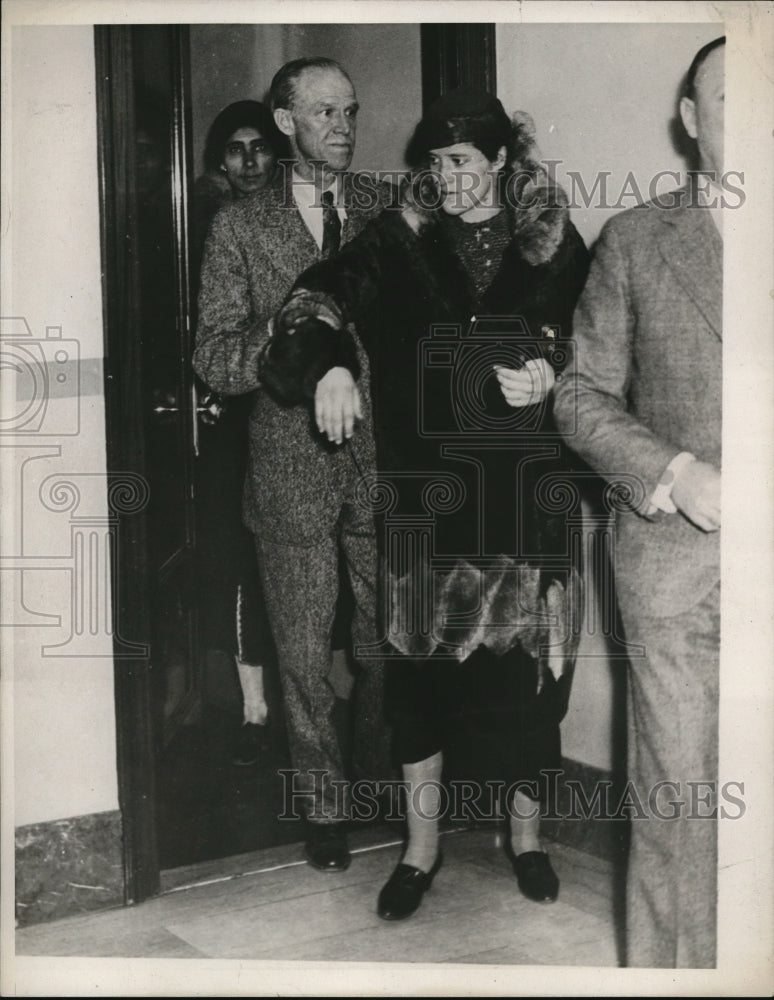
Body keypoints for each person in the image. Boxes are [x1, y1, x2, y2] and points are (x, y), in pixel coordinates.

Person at [265, 88, 590, 920]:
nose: (444, 177)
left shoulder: (553, 242)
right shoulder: (397, 239)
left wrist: (553, 375)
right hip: (423, 497)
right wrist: (329, 364)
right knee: (418, 680)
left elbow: (600, 344)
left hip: (525, 494)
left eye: (462, 162)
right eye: (435, 162)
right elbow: (315, 298)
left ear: (502, 161)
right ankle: (419, 850)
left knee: (529, 678)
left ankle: (527, 841)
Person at [193, 57, 393, 872]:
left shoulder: (385, 212)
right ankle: (324, 807)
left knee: (387, 643)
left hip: (382, 471)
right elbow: (212, 353)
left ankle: (381, 780)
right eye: (323, 112)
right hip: (288, 470)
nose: (342, 126)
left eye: (350, 110)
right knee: (304, 652)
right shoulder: (240, 227)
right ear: (285, 122)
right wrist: (290, 344)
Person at [552, 38, 724, 967]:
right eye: (735, 100)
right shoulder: (637, 239)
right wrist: (674, 471)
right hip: (680, 570)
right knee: (681, 808)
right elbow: (577, 396)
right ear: (692, 123)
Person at [192, 101, 283, 766]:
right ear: (219, 159)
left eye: (260, 147)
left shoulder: (293, 221)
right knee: (240, 556)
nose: (249, 160)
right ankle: (252, 706)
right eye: (235, 149)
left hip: (285, 408)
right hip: (227, 415)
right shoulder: (203, 224)